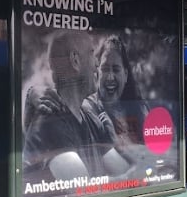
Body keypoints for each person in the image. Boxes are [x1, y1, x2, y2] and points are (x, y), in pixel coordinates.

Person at [23, 31, 108, 182]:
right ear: (75, 61)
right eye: (92, 53)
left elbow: (120, 167)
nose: (97, 64)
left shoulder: (88, 115)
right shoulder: (50, 119)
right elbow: (82, 187)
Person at [82, 34, 149, 156]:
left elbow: (149, 157)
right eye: (105, 69)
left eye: (116, 69)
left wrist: (115, 141)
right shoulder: (88, 109)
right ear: (97, 73)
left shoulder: (140, 108)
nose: (110, 77)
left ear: (126, 75)